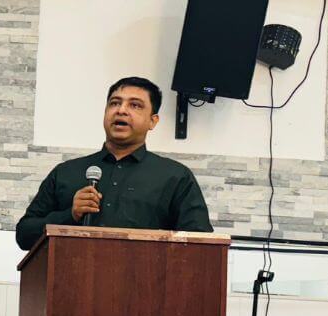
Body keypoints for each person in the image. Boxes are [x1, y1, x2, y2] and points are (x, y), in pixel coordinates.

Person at [15, 76, 212, 250]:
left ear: (153, 121)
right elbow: (24, 235)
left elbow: (200, 244)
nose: (121, 110)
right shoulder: (66, 172)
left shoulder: (175, 177)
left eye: (135, 105)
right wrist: (70, 215)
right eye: (114, 103)